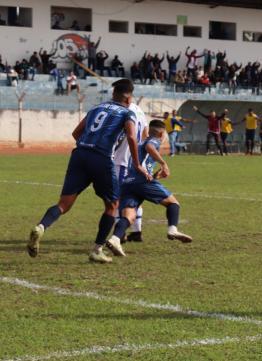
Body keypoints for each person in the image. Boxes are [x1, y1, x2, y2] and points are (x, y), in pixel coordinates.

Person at [26, 79, 149, 264]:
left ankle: (41, 227)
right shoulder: (127, 113)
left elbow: (76, 133)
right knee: (112, 205)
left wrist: (87, 147)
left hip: (80, 154)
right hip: (102, 158)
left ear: (113, 94)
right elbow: (132, 137)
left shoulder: (96, 108)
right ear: (129, 97)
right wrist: (138, 164)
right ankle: (97, 250)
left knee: (64, 204)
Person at [107, 119, 192, 256]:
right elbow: (150, 148)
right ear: (162, 133)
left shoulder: (140, 144)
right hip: (142, 181)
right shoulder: (153, 141)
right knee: (173, 203)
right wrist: (163, 163)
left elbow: (142, 164)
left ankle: (115, 239)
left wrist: (155, 176)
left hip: (128, 183)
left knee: (129, 216)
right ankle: (172, 229)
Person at [111, 98, 148, 244]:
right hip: (137, 161)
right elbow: (145, 135)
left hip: (122, 161)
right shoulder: (139, 110)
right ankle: (137, 232)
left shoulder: (122, 111)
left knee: (116, 199)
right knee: (134, 196)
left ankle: (120, 234)